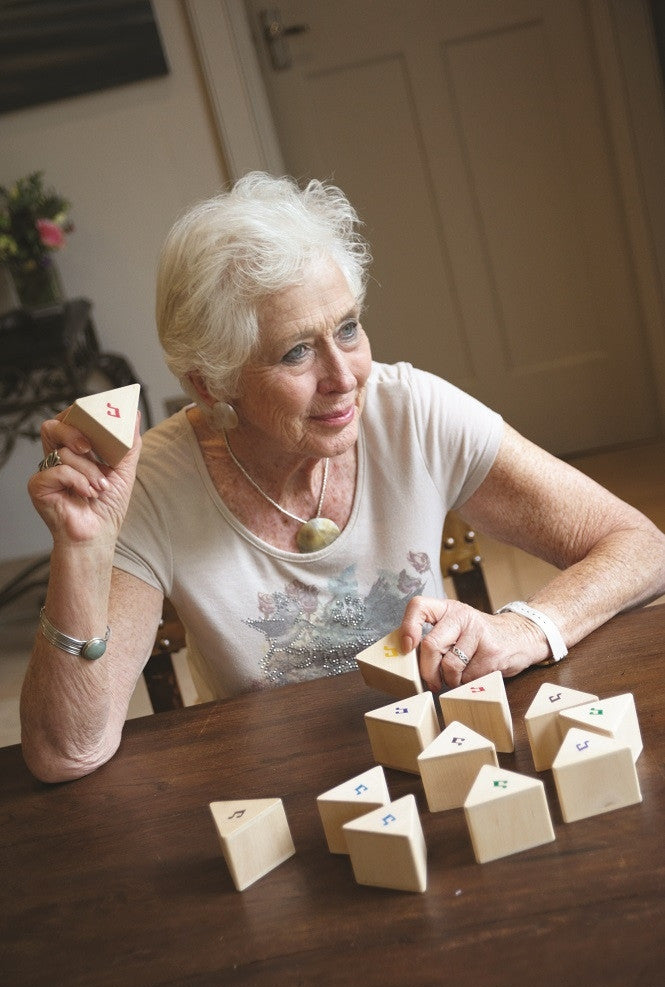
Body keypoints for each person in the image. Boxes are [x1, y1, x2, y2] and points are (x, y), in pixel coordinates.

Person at [21, 172, 665, 783]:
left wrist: (523, 628)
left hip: (448, 752)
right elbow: (66, 753)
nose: (344, 375)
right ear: (210, 381)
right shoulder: (151, 485)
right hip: (279, 784)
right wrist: (82, 549)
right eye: (296, 351)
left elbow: (642, 547)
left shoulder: (411, 410)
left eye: (348, 328)